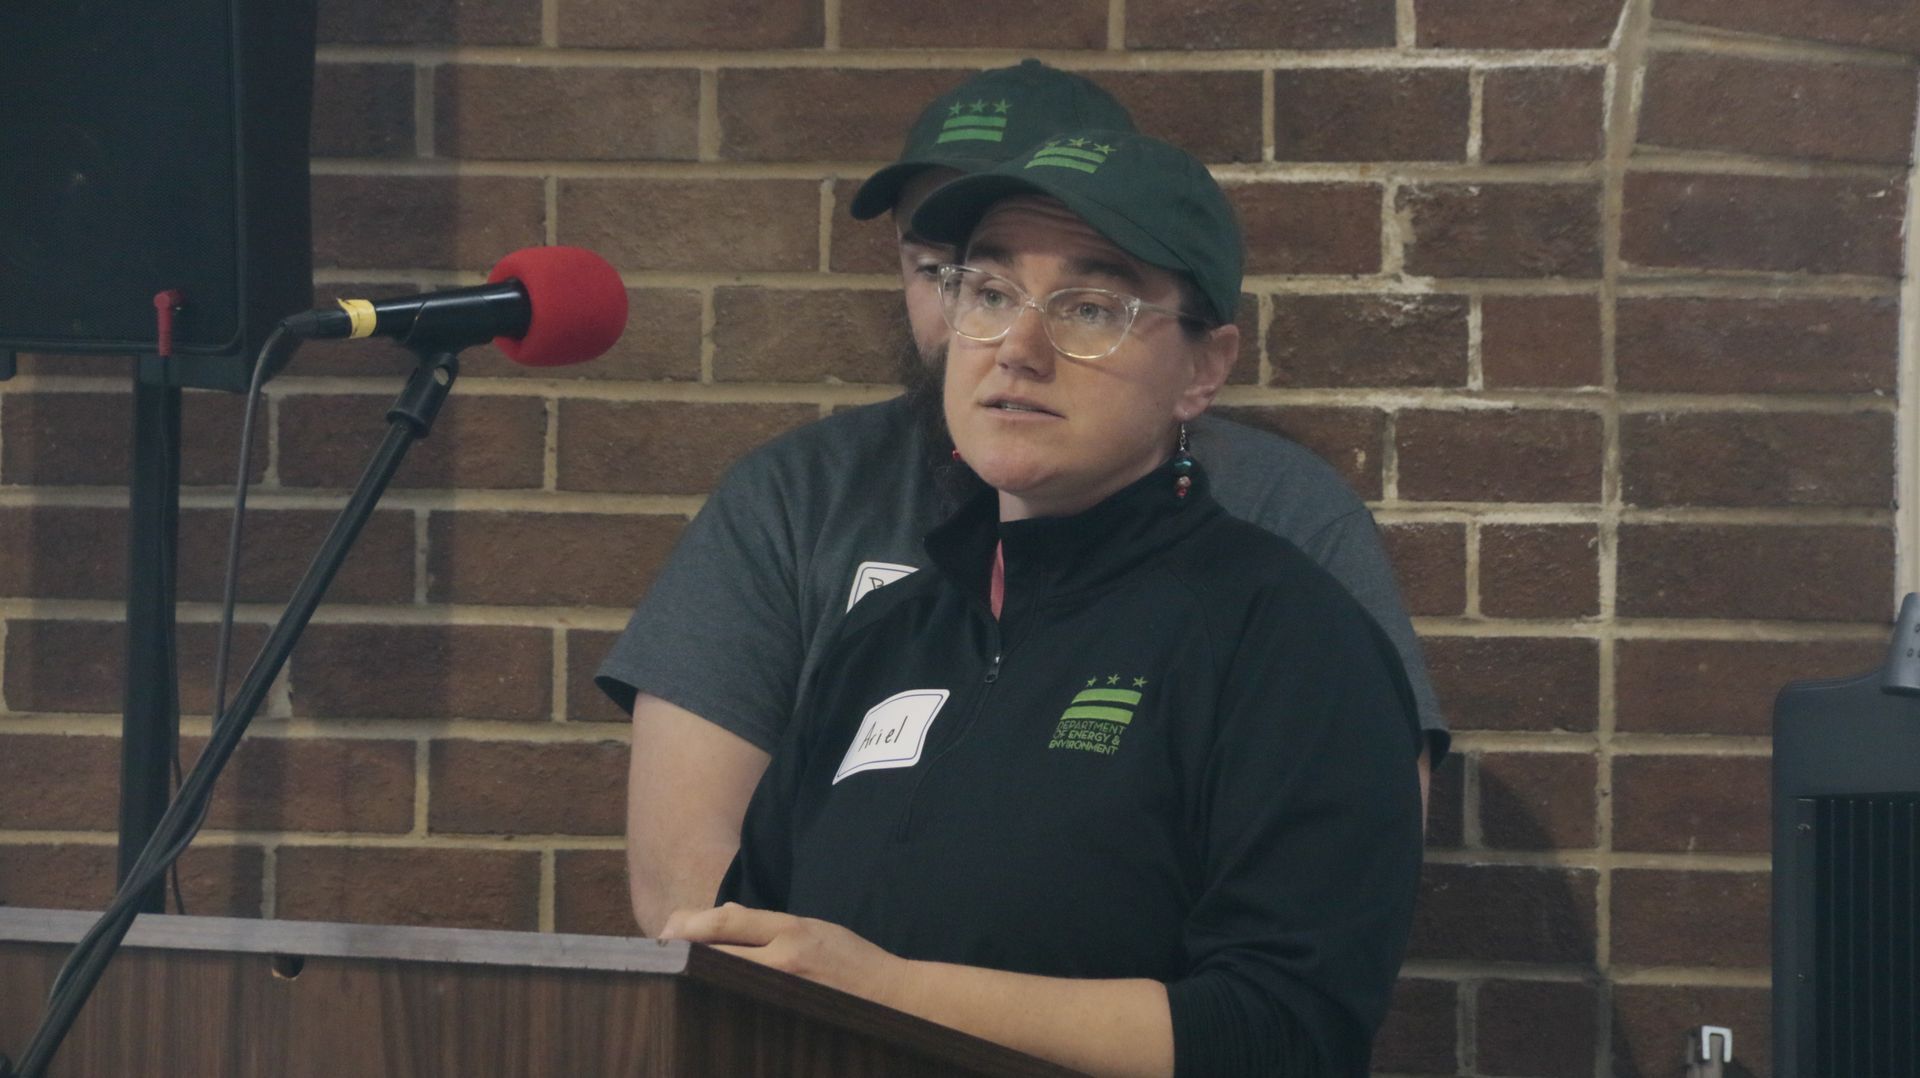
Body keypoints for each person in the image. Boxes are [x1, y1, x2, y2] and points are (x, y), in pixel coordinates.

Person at [597, 60, 1448, 936]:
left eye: (1085, 301)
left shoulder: (1283, 549)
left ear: (1200, 360)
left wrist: (895, 994)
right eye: (967, 279)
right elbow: (697, 897)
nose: (1014, 342)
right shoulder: (835, 555)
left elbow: (1314, 939)